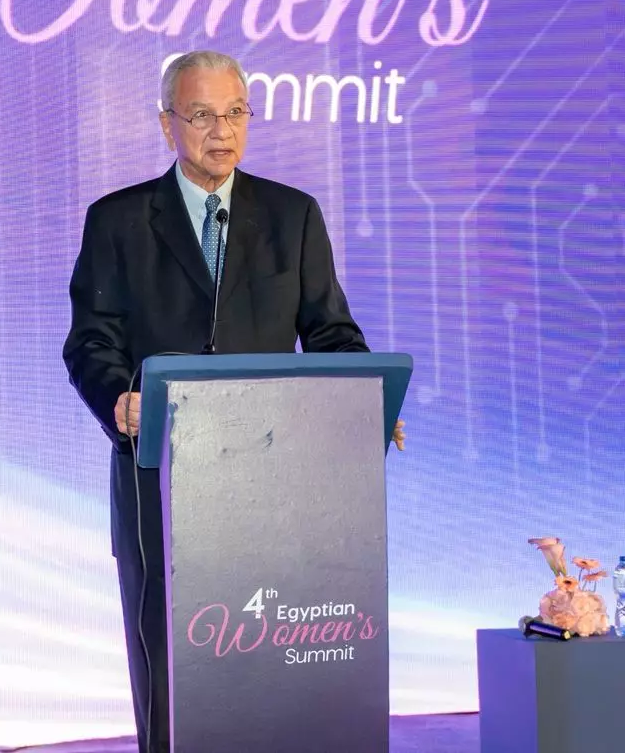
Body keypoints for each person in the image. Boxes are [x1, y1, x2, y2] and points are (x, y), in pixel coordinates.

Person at [63, 50, 398, 753]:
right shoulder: (119, 221)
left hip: (274, 485)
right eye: (203, 115)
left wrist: (366, 400)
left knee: (272, 672)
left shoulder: (291, 215)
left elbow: (331, 332)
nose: (223, 131)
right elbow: (91, 342)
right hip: (161, 480)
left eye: (236, 112)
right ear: (167, 125)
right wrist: (118, 398)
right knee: (173, 677)